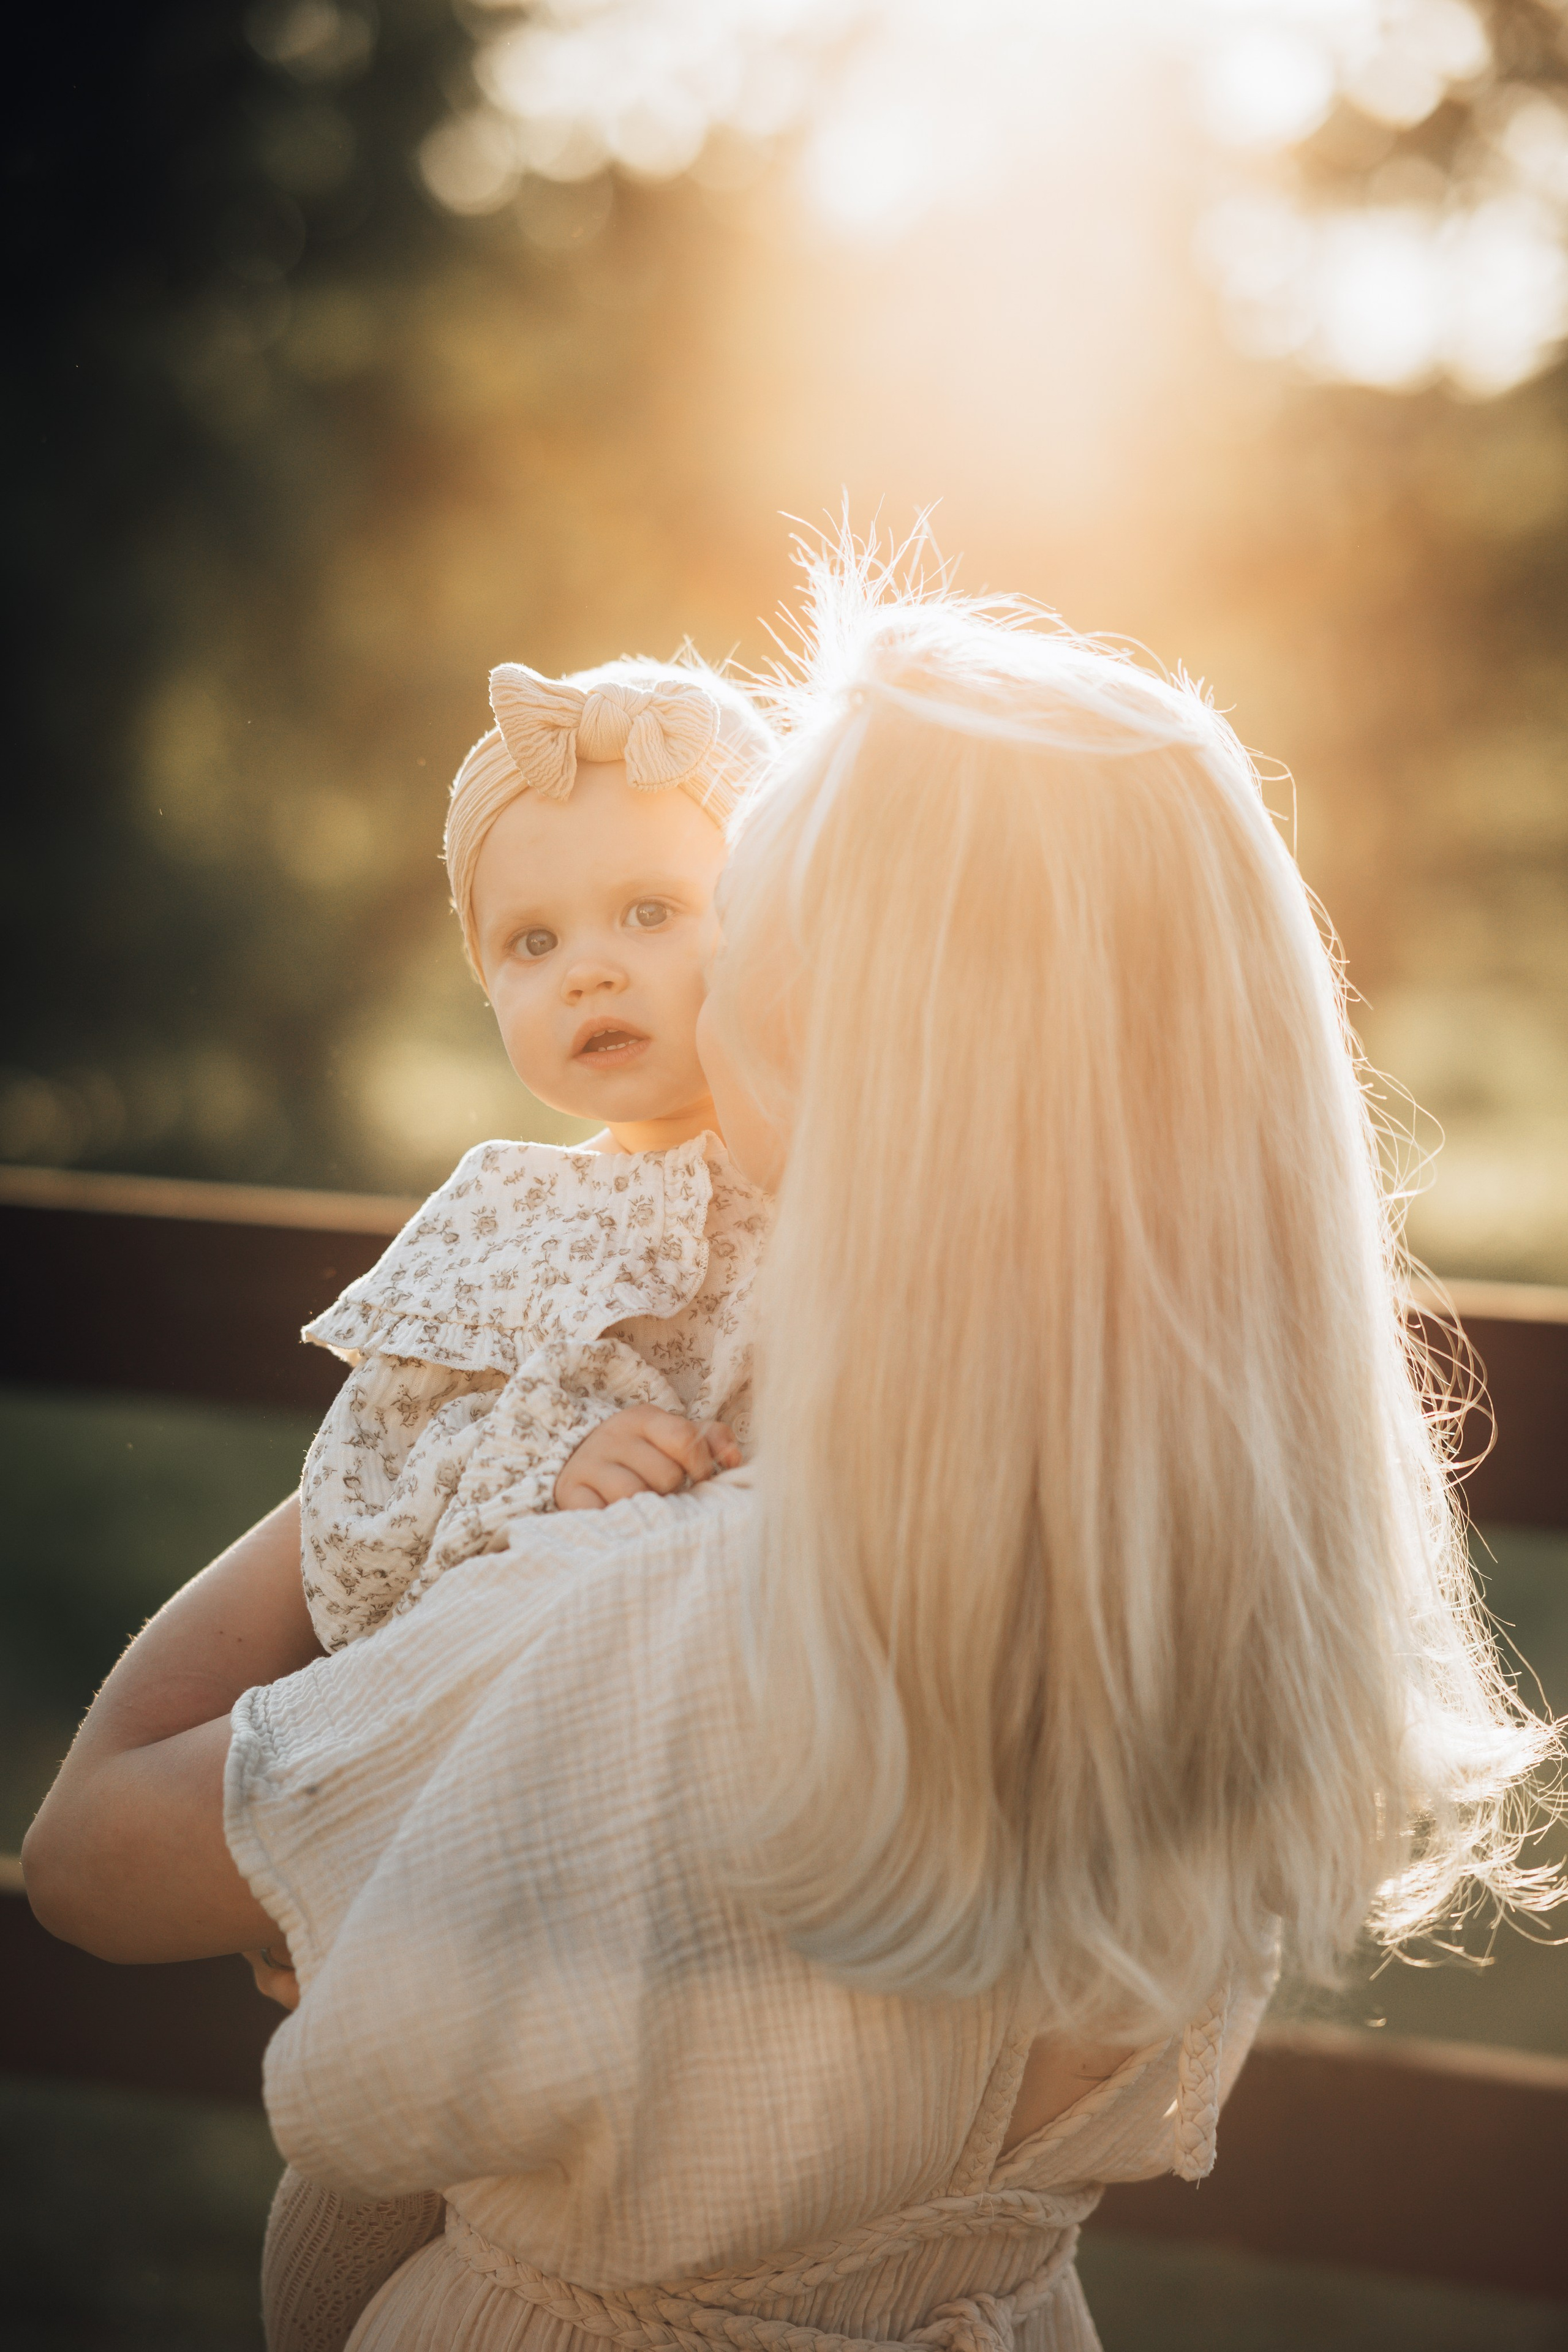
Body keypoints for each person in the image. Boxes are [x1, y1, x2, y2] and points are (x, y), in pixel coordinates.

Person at [23, 554, 1561, 2352]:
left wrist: (445, 1407)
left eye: (730, 925)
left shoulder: (632, 1610)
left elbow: (95, 1854)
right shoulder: (1228, 1592)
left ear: (842, 1045)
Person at [300, 652, 778, 1659]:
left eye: (650, 913)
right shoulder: (499, 1225)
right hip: (543, 1693)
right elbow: (349, 1549)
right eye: (531, 943)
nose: (587, 973)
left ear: (774, 925)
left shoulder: (859, 1184)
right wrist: (548, 1465)